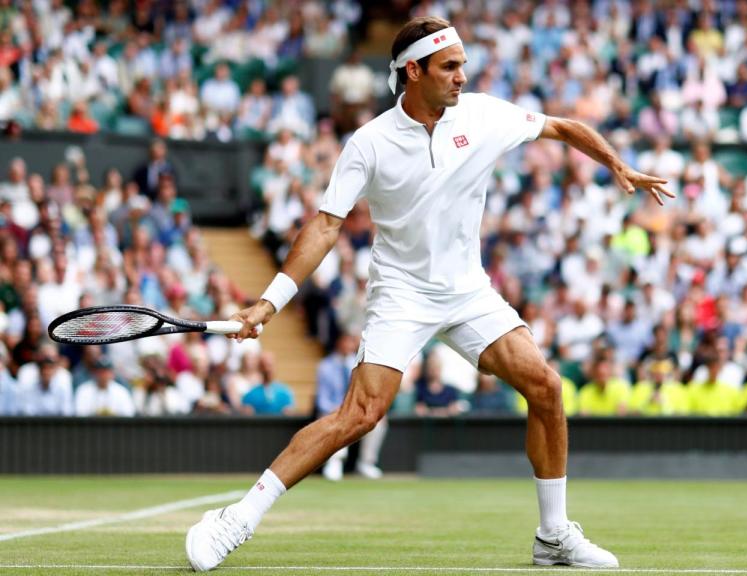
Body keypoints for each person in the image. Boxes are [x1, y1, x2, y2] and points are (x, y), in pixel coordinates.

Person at [185, 17, 670, 571]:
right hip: (402, 294)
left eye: (462, 65)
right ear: (412, 72)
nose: (462, 77)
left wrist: (615, 162)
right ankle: (237, 519)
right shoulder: (368, 143)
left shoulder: (484, 114)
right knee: (360, 414)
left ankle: (554, 536)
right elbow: (324, 226)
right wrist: (269, 303)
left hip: (468, 291)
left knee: (546, 387)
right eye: (450, 67)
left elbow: (561, 127)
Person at [317, 332, 387, 481]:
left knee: (379, 420)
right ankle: (334, 462)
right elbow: (322, 399)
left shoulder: (358, 365)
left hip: (354, 409)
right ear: (339, 342)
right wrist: (337, 408)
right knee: (339, 418)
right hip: (332, 410)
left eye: (353, 342)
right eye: (348, 341)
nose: (351, 345)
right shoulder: (325, 366)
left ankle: (366, 463)